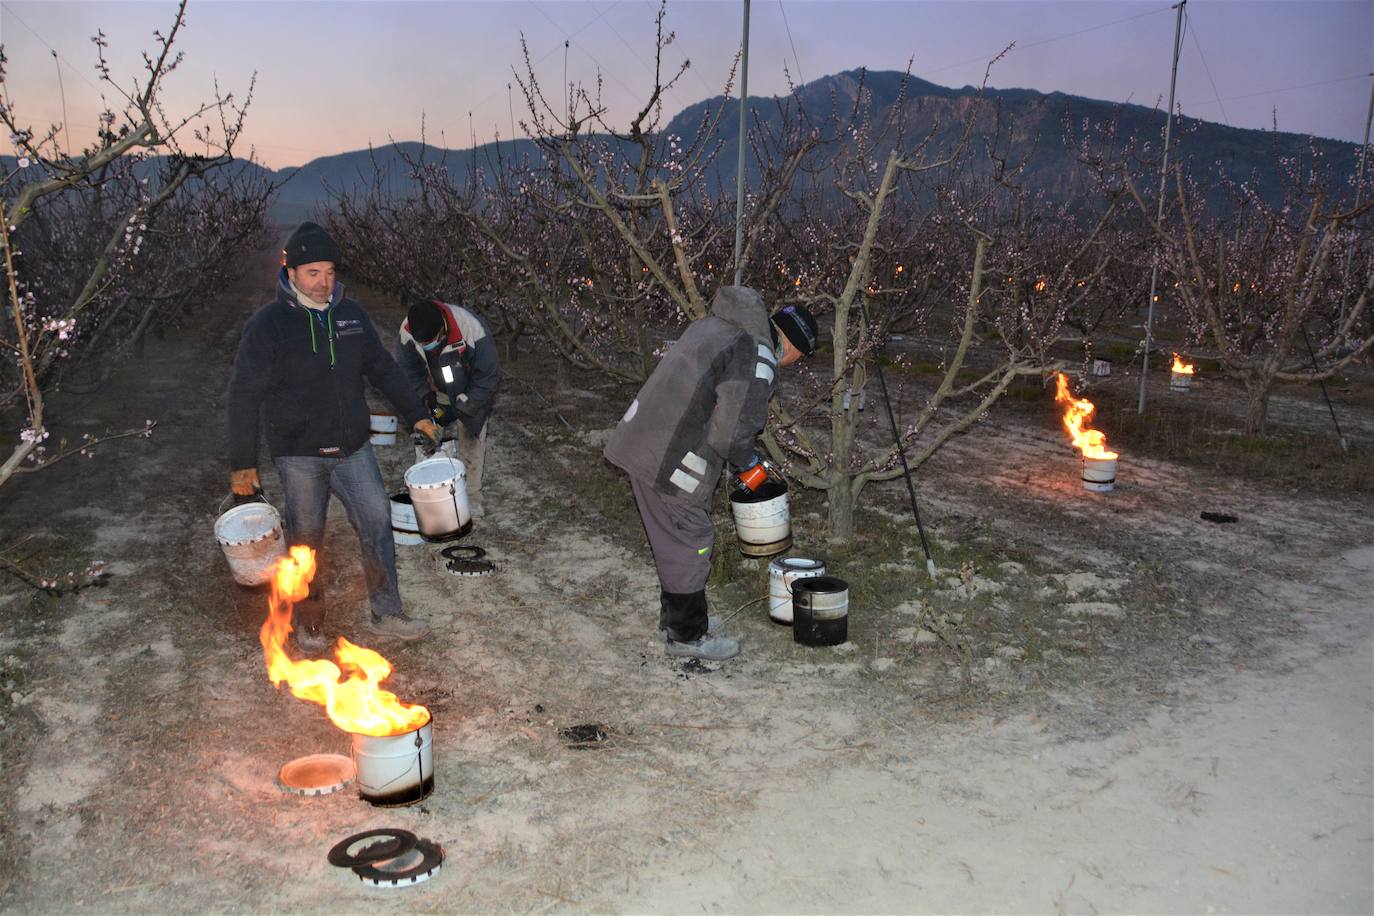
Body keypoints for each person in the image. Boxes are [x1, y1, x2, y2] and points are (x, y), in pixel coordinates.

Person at [227, 222, 441, 652]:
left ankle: (387, 611)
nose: (324, 282)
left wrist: (417, 414)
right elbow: (244, 394)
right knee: (307, 541)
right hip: (299, 453)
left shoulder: (351, 316)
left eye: (329, 272)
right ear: (291, 274)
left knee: (378, 522)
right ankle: (309, 621)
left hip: (352, 449)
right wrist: (242, 463)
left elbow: (382, 369)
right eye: (313, 273)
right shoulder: (268, 325)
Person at [604, 288, 818, 661]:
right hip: (669, 457)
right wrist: (749, 464)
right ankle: (686, 638)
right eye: (802, 357)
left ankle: (679, 620)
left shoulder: (716, 326)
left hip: (642, 438)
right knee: (691, 540)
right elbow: (730, 432)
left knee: (674, 542)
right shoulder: (758, 354)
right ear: (796, 347)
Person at [397, 299, 501, 518]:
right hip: (438, 390)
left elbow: (488, 377)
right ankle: (433, 484)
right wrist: (426, 397)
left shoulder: (470, 328)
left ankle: (472, 497)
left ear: (443, 328)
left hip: (470, 391)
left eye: (431, 341)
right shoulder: (408, 331)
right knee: (430, 428)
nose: (427, 346)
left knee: (471, 436)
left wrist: (468, 403)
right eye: (422, 343)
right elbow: (409, 371)